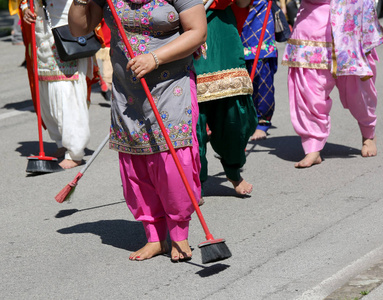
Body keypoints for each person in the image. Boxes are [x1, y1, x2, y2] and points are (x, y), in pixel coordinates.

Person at [68, 0, 207, 262]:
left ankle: (179, 234)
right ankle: (154, 237)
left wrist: (156, 57)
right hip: (128, 91)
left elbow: (197, 31)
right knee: (138, 164)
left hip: (171, 85)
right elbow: (80, 30)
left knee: (173, 163)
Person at [281, 0, 383, 168]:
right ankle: (313, 145)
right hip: (312, 26)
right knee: (309, 90)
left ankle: (368, 133)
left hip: (350, 23)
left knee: (358, 92)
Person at [193, 0, 257, 196]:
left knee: (235, 113)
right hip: (187, 26)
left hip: (222, 30)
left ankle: (232, 169)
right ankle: (195, 179)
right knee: (194, 117)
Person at [22, 0, 93, 169]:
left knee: (67, 94)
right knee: (48, 95)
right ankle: (62, 142)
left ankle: (75, 152)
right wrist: (25, 9)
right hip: (43, 37)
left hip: (67, 34)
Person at [241, 0, 278, 140]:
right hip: (234, 18)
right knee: (235, 75)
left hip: (259, 18)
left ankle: (262, 121)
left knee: (261, 75)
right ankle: (240, 120)